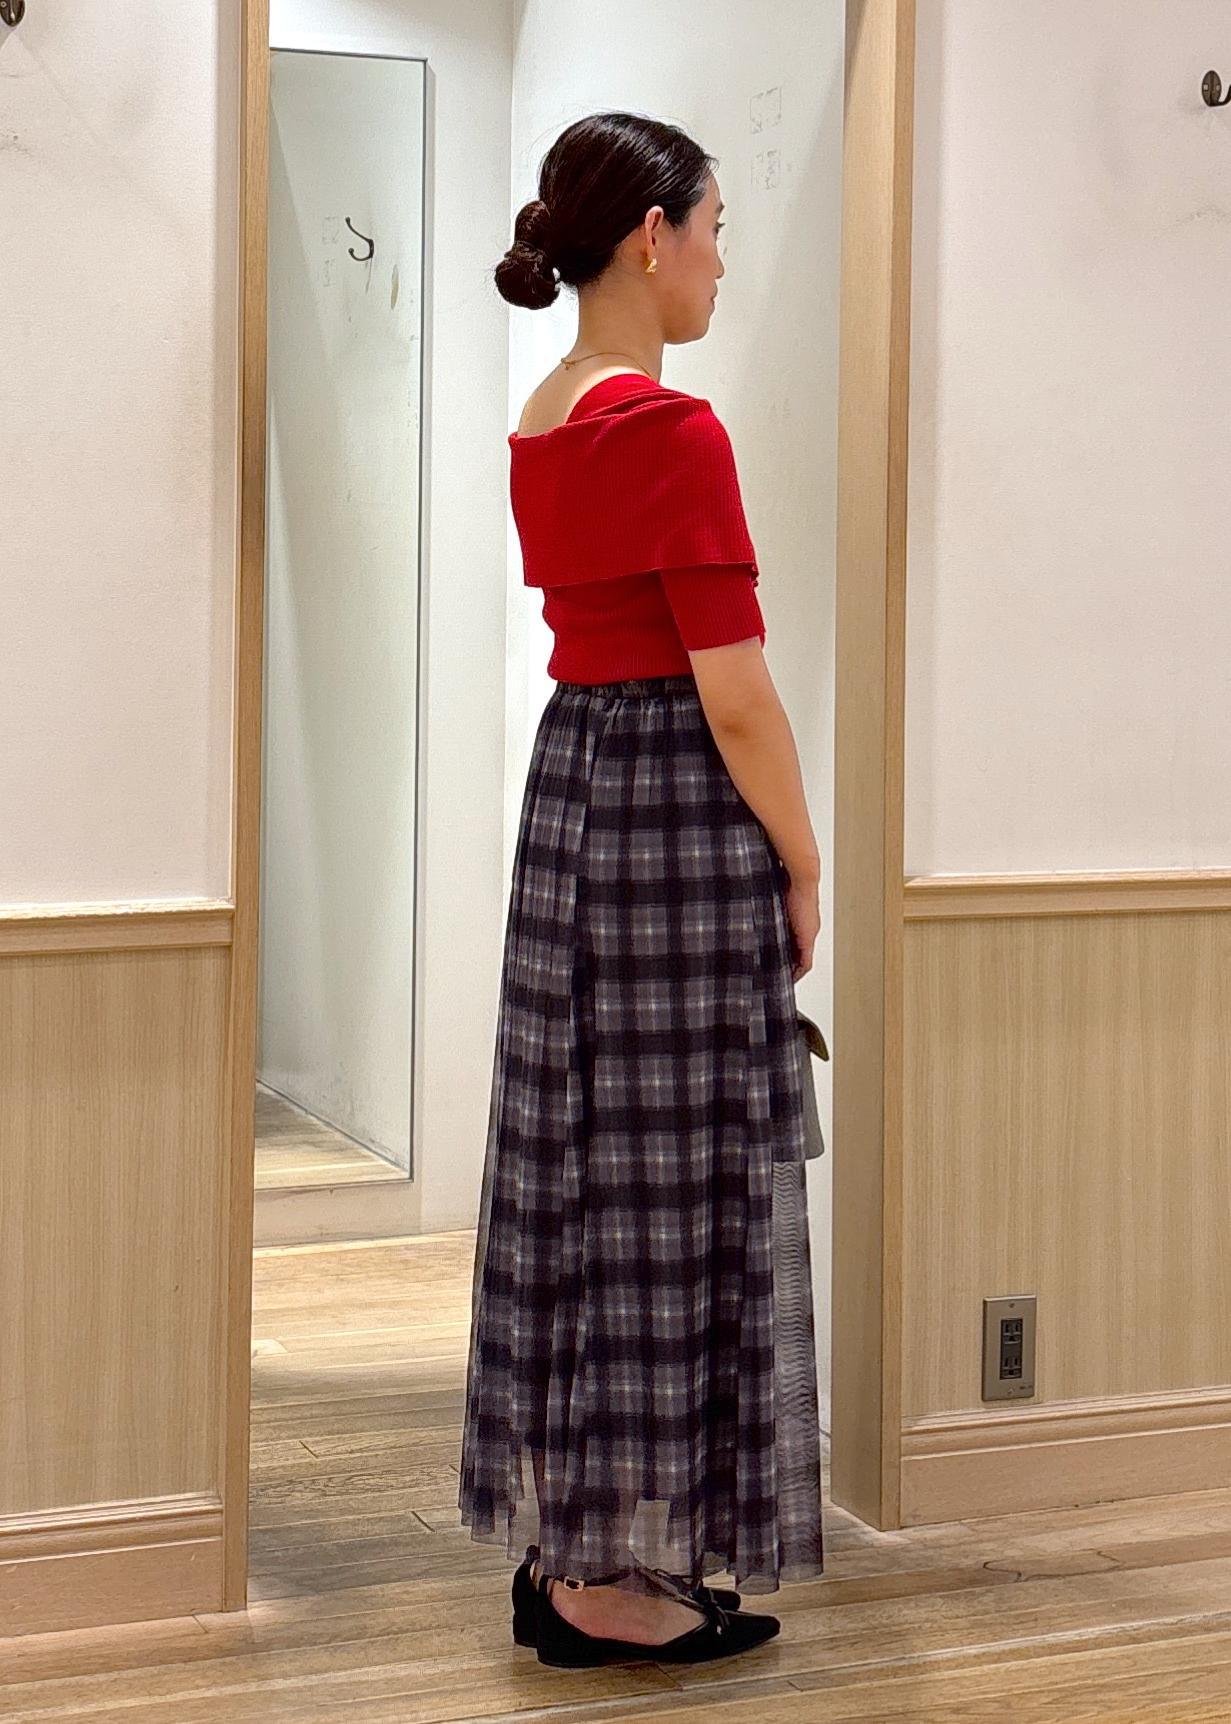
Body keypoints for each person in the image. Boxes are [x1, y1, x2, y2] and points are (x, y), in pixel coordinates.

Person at [457, 110, 824, 1669]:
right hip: (674, 800)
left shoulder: (546, 415)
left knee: (584, 1167)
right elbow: (734, 694)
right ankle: (608, 1584)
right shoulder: (672, 431)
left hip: (578, 795)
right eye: (717, 229)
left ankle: (580, 1547)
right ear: (653, 236)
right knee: (668, 1188)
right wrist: (803, 857)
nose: (724, 262)